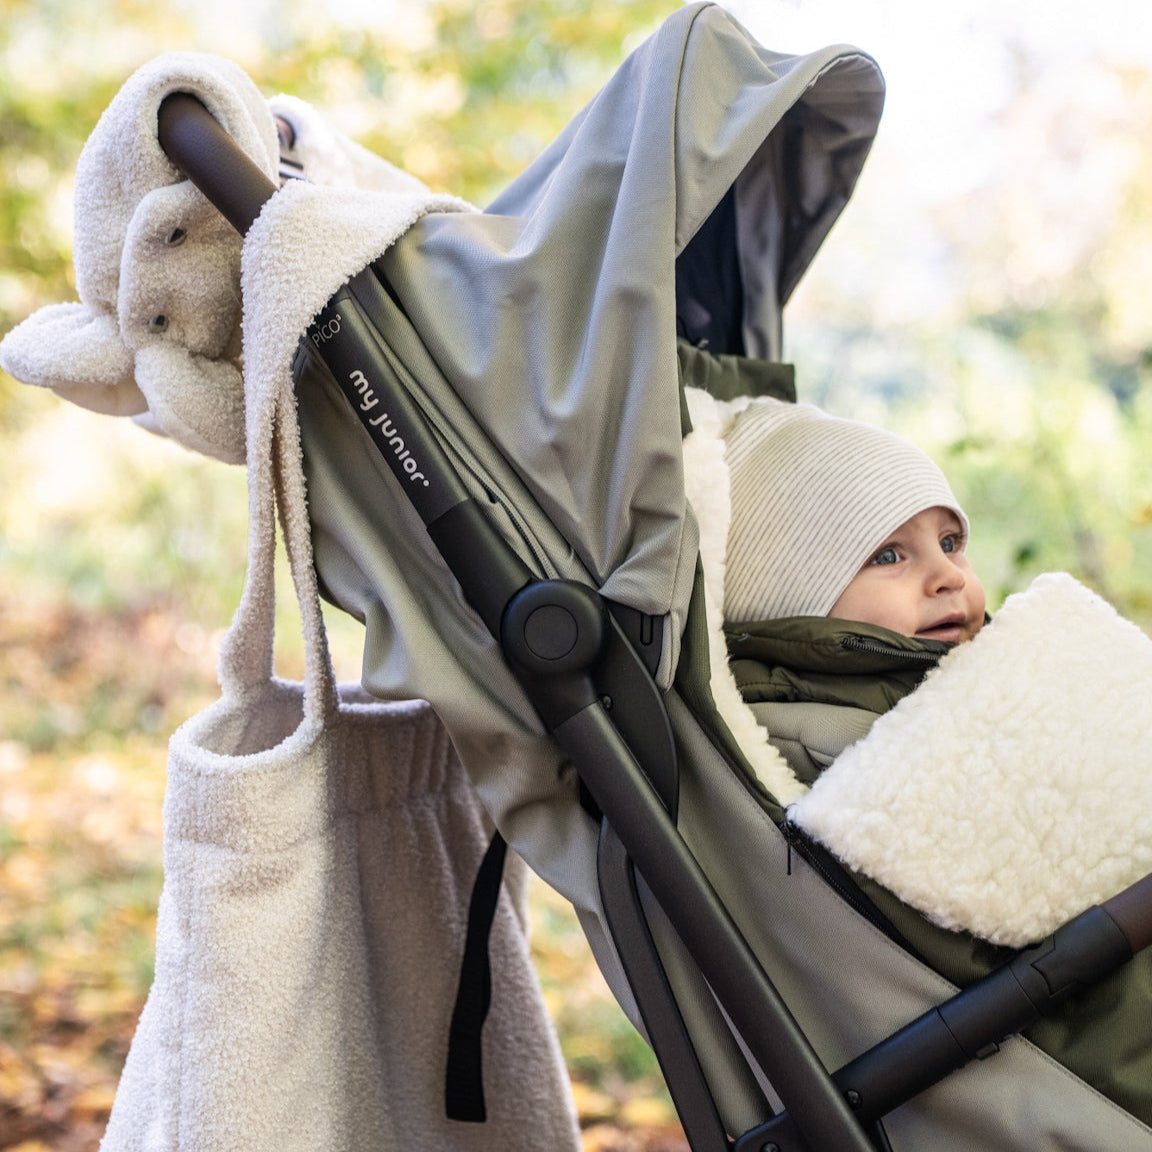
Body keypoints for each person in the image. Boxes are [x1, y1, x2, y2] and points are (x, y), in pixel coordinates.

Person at [719, 398, 986, 784]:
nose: (950, 576)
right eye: (889, 556)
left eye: (949, 543)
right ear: (795, 599)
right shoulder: (851, 742)